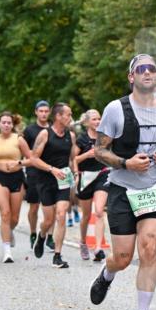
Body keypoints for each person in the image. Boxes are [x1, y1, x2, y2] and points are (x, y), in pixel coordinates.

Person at [88, 54, 156, 310]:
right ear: (131, 77)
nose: (147, 73)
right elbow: (99, 151)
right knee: (124, 257)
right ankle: (108, 273)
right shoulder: (116, 110)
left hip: (154, 187)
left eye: (152, 68)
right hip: (121, 189)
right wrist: (126, 163)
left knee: (150, 247)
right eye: (141, 69)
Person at [29, 103, 78, 269]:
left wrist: (75, 173)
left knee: (61, 215)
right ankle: (42, 236)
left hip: (63, 181)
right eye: (68, 114)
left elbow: (72, 159)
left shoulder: (70, 136)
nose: (70, 117)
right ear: (58, 116)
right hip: (45, 180)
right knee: (48, 220)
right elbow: (34, 159)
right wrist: (52, 169)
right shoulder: (45, 134)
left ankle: (57, 255)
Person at [0, 112, 32, 262]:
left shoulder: (19, 140)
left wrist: (18, 163)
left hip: (16, 178)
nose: (6, 125)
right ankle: (7, 252)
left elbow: (31, 159)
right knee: (5, 213)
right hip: (0, 178)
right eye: (3, 122)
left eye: (9, 123)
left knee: (14, 217)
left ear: (12, 125)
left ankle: (10, 230)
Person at [75, 109, 110, 262]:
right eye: (94, 119)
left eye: (99, 119)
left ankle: (97, 248)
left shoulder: (105, 138)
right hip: (86, 177)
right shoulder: (81, 139)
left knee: (100, 211)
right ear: (88, 122)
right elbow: (73, 160)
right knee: (86, 216)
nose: (97, 122)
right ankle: (83, 243)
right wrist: (86, 155)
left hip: (102, 174)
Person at [23, 100, 51, 250]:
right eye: (41, 111)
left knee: (51, 206)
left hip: (50, 171)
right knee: (34, 206)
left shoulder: (53, 129)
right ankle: (33, 232)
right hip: (34, 172)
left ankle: (50, 236)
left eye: (46, 111)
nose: (44, 114)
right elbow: (24, 150)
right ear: (36, 112)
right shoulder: (29, 130)